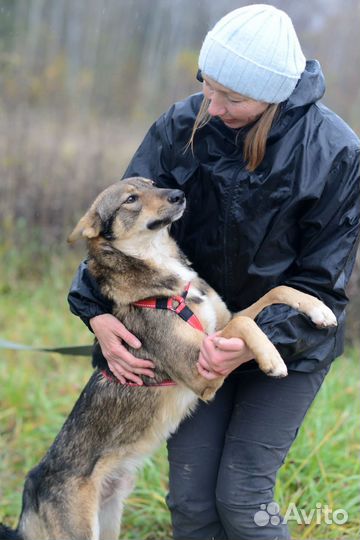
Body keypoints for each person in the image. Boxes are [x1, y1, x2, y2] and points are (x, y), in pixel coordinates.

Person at [68, 4, 360, 539]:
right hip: (184, 338)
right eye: (208, 86)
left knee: (243, 498)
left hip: (285, 347)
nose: (213, 106)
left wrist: (253, 340)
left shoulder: (336, 153)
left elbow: (321, 285)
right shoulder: (182, 124)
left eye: (234, 98)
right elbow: (116, 229)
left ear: (274, 96)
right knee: (193, 503)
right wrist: (95, 314)